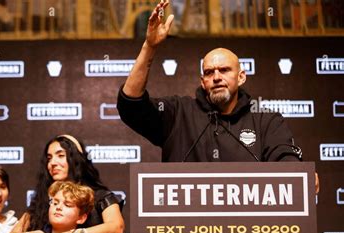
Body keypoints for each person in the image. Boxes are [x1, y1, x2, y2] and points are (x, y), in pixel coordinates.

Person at [117, 0, 319, 192]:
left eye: (224, 70)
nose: (216, 77)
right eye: (209, 72)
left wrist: (299, 174)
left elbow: (285, 157)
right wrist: (149, 47)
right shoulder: (178, 113)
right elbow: (130, 104)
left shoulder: (265, 120)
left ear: (241, 77)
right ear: (202, 81)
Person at [3, 134, 124, 233]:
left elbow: (116, 228)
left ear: (76, 159)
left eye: (60, 155)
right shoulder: (42, 200)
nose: (52, 163)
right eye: (49, 158)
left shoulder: (99, 196)